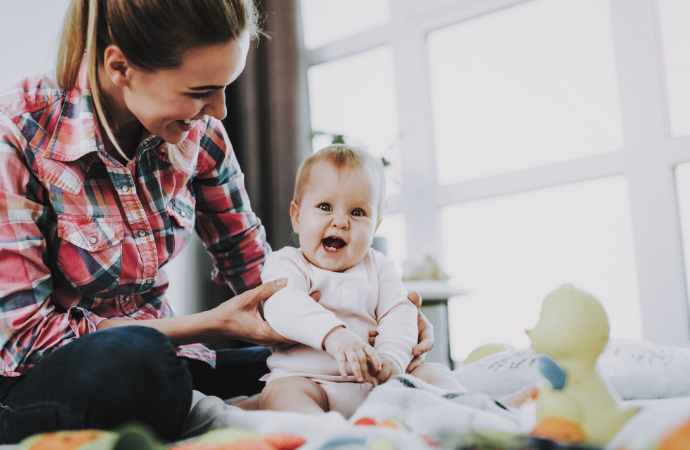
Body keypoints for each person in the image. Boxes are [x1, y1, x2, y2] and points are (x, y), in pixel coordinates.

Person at [0, 0, 436, 443]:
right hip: (34, 375)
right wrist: (211, 323)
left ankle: (219, 410)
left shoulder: (201, 133)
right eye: (199, 91)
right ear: (120, 67)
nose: (220, 110)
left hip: (168, 360)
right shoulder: (15, 135)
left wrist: (372, 329)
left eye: (226, 87)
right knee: (138, 362)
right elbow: (29, 341)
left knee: (305, 370)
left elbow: (259, 278)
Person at [259, 145, 467, 418]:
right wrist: (334, 335)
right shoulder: (287, 263)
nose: (341, 222)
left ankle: (469, 414)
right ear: (297, 216)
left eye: (357, 212)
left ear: (376, 227)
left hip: (378, 384)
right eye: (325, 207)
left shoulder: (380, 268)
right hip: (310, 381)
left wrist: (391, 358)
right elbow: (283, 304)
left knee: (435, 373)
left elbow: (399, 313)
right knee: (280, 394)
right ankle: (326, 436)